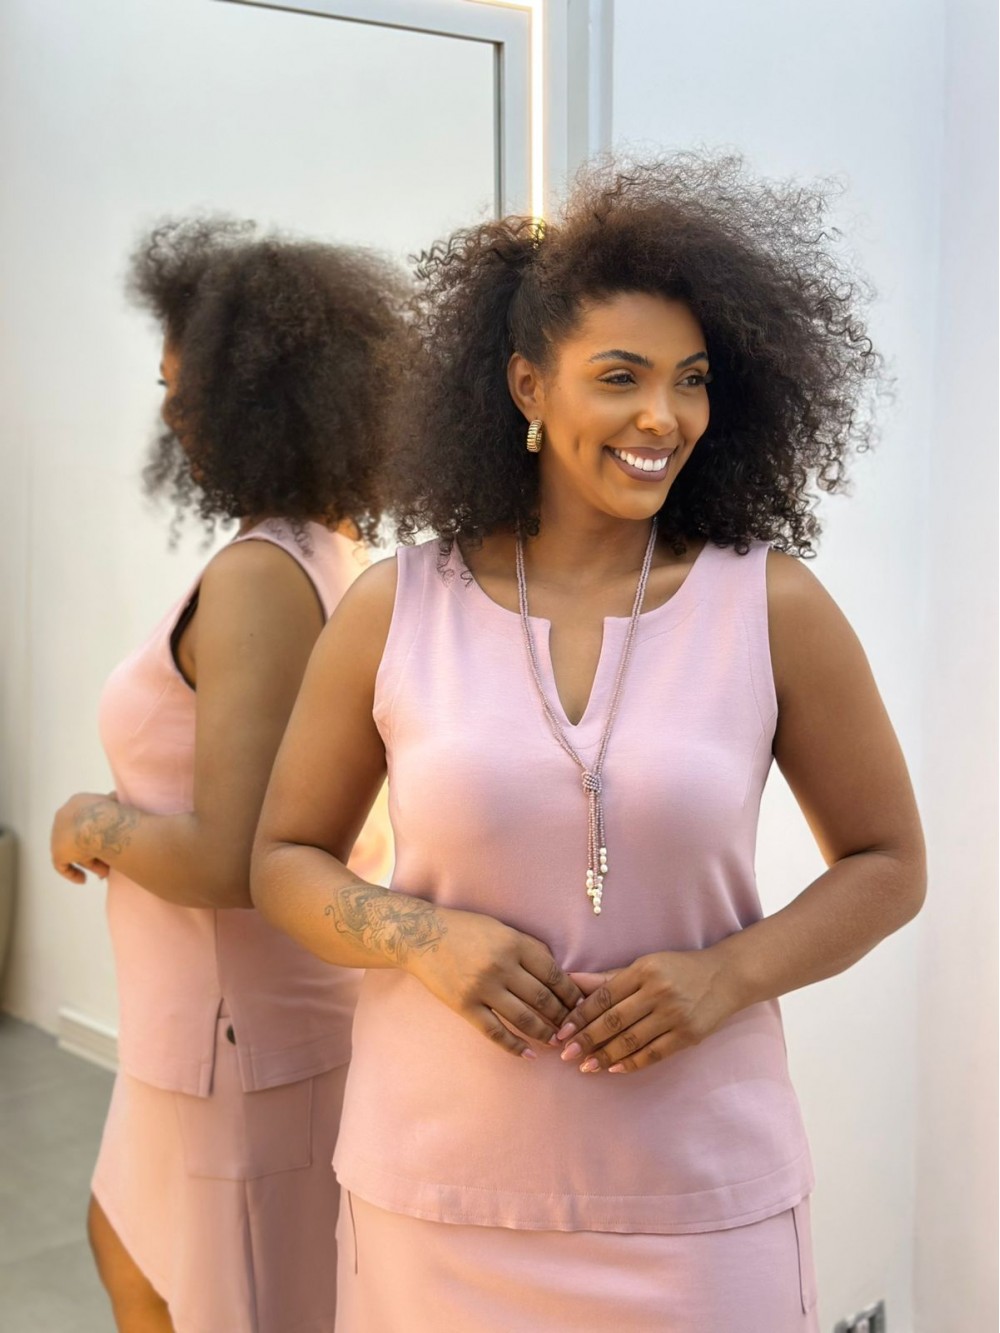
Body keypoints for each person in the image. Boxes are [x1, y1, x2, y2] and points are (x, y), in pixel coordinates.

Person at [251, 156, 926, 1333]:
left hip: (696, 1194)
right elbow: (283, 860)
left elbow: (888, 864)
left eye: (691, 382)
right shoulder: (394, 607)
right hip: (439, 1191)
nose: (664, 418)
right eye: (621, 377)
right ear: (527, 384)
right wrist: (422, 936)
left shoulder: (771, 607)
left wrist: (729, 975)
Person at [50, 218, 402, 1333]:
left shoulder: (262, 574)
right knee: (130, 1253)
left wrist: (92, 821)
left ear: (260, 396)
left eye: (185, 387)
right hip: (212, 1033)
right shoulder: (326, 555)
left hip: (240, 1044)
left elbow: (234, 858)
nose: (171, 414)